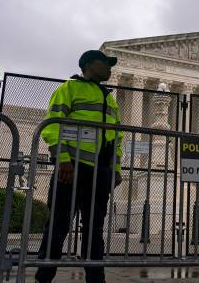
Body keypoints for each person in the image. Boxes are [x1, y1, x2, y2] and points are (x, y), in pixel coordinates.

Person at [35, 50, 123, 283]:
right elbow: (52, 124)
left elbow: (116, 138)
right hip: (72, 169)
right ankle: (43, 277)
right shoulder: (69, 88)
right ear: (89, 65)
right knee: (58, 225)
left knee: (94, 230)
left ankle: (96, 279)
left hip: (99, 172)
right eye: (105, 64)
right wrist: (62, 158)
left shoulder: (110, 99)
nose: (109, 68)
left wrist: (116, 167)